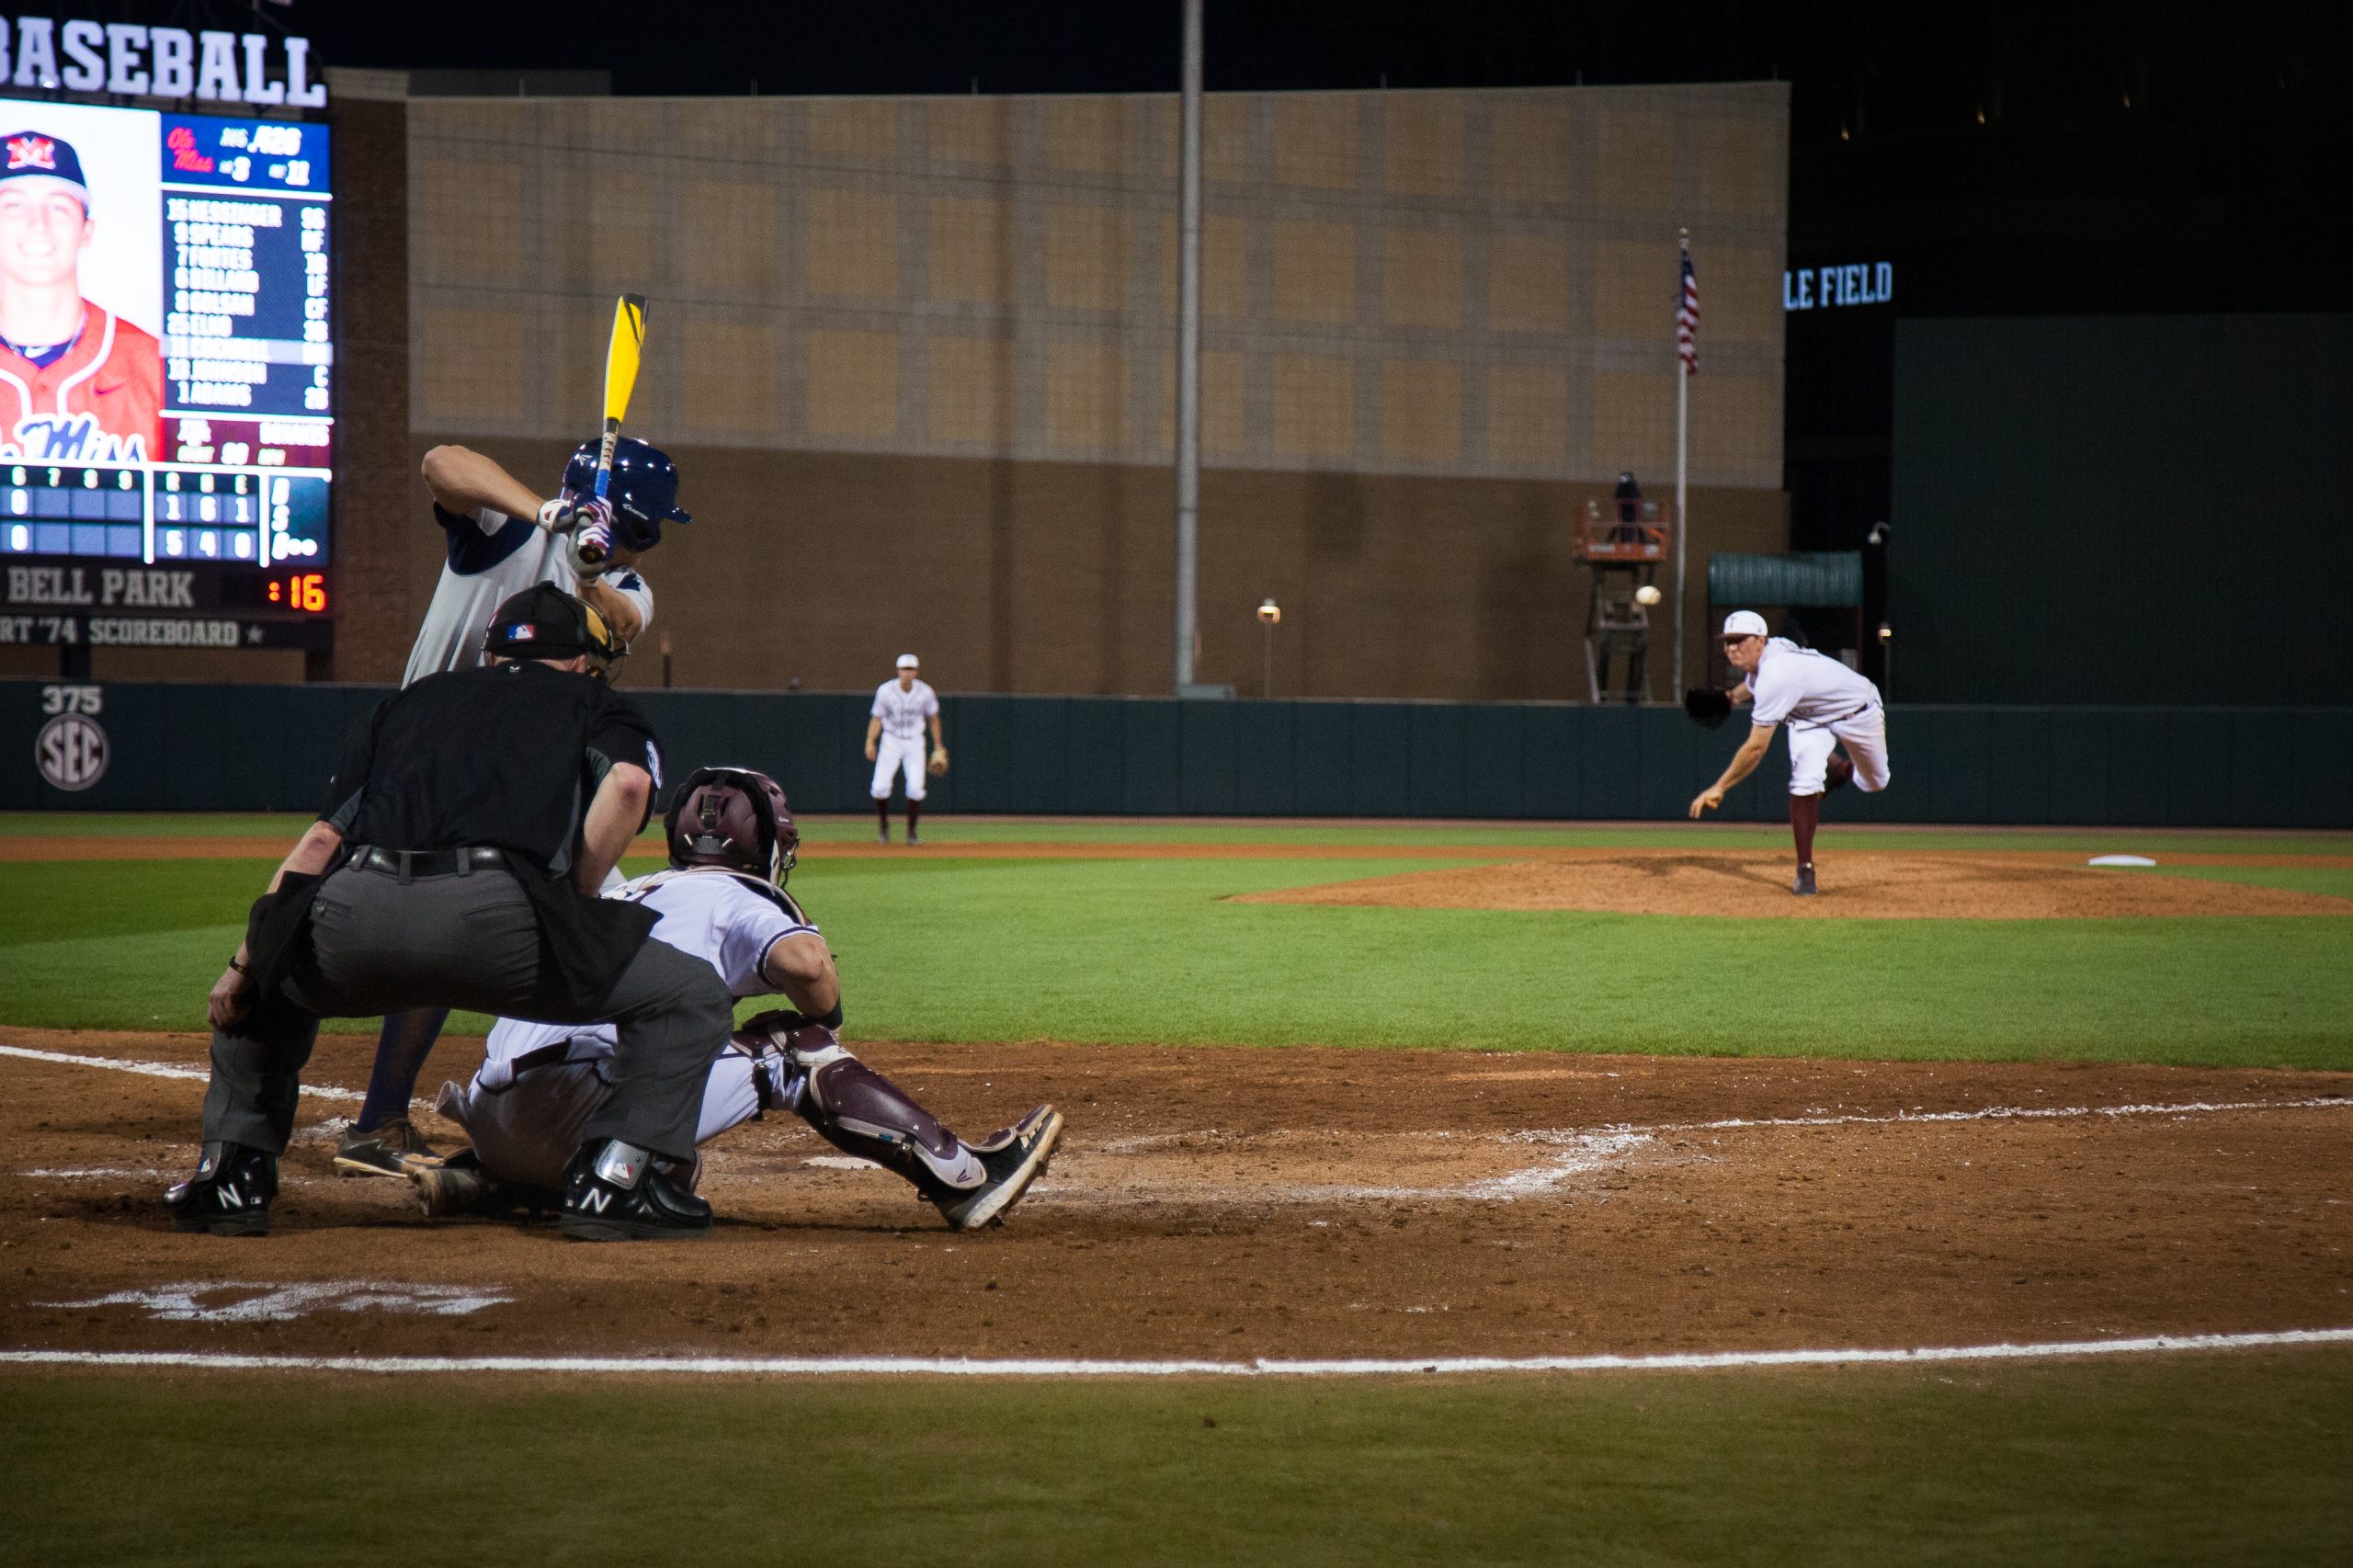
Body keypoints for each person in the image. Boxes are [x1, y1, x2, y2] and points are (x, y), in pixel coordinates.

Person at [165, 585, 734, 1242]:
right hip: (502, 924)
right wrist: (575, 896)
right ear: (583, 660)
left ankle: (228, 1176)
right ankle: (615, 1180)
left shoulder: (409, 702)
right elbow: (629, 785)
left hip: (357, 915)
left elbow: (320, 845)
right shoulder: (598, 702)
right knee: (689, 995)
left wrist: (245, 963)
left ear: (491, 654)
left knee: (268, 978)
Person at [416, 767, 1064, 1231]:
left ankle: (498, 1183)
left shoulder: (622, 888)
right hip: (575, 1115)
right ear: (770, 846)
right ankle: (966, 1178)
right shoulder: (738, 893)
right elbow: (811, 975)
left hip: (493, 1117)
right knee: (799, 1047)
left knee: (651, 1058)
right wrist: (822, 1012)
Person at [332, 437, 690, 1182]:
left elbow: (621, 618)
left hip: (511, 776)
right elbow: (439, 463)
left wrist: (587, 570)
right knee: (388, 916)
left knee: (569, 915)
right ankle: (581, 1119)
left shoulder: (622, 578)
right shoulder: (512, 531)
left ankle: (567, 1104)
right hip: (422, 754)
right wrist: (550, 514)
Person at [1686, 609, 1892, 895]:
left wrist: (1720, 787)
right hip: (1808, 719)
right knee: (1804, 782)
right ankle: (1805, 870)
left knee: (1876, 782)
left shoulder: (1777, 674)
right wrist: (1732, 697)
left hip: (1858, 711)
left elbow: (1756, 748)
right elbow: (1755, 682)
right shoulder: (1770, 655)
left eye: (1739, 640)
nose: (1731, 648)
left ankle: (1841, 770)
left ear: (1760, 640)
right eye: (1727, 641)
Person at [0, 131, 163, 462]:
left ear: (86, 231)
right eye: (14, 205)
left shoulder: (153, 366)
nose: (38, 225)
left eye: (58, 207)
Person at [865, 653, 946, 846]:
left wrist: (938, 745)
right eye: (904, 669)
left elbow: (934, 719)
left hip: (915, 742)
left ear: (916, 672)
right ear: (898, 671)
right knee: (879, 788)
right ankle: (884, 826)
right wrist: (870, 741)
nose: (907, 673)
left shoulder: (925, 692)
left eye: (910, 669)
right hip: (890, 740)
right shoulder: (885, 690)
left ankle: (911, 832)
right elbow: (876, 718)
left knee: (916, 788)